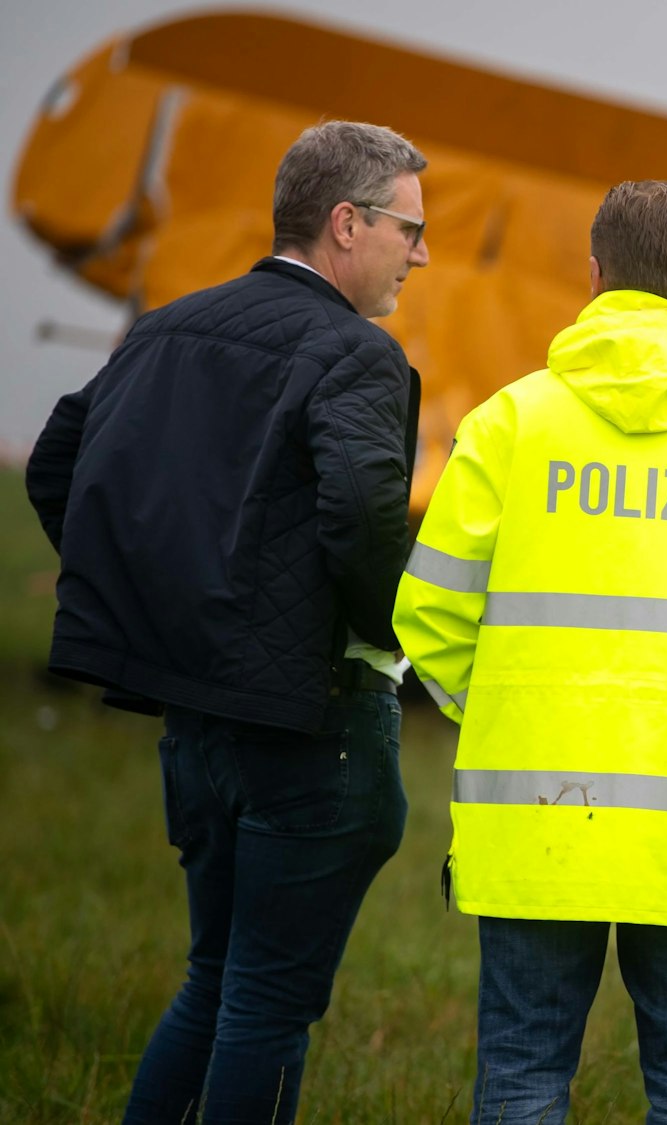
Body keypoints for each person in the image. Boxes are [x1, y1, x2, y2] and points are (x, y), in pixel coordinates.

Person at [393, 180, 667, 1123]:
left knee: (521, 1073)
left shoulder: (510, 425)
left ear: (593, 274)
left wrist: (512, 710)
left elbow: (428, 612)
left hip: (535, 817)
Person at [22, 120, 428, 1123]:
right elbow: (364, 514)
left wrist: (157, 606)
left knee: (217, 981)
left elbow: (53, 468)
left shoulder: (165, 326)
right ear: (346, 224)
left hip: (193, 725)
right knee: (265, 1005)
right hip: (313, 730)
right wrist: (397, 643)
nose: (421, 254)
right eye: (409, 230)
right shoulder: (358, 353)